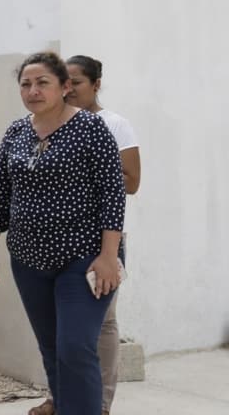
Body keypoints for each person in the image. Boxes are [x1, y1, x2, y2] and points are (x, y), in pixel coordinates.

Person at [0, 51, 125, 415]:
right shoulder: (15, 132)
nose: (33, 91)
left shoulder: (91, 129)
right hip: (28, 260)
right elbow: (0, 194)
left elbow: (112, 194)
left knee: (76, 347)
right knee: (51, 347)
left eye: (42, 83)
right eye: (26, 84)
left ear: (64, 87)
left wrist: (109, 256)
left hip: (84, 258)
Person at [19, 55, 141, 415]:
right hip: (46, 249)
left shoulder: (110, 125)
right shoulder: (35, 127)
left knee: (93, 331)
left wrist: (83, 174)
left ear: (95, 84)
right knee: (61, 337)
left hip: (99, 243)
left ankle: (98, 403)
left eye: (76, 82)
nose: (69, 89)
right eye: (66, 81)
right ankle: (62, 399)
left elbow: (129, 182)